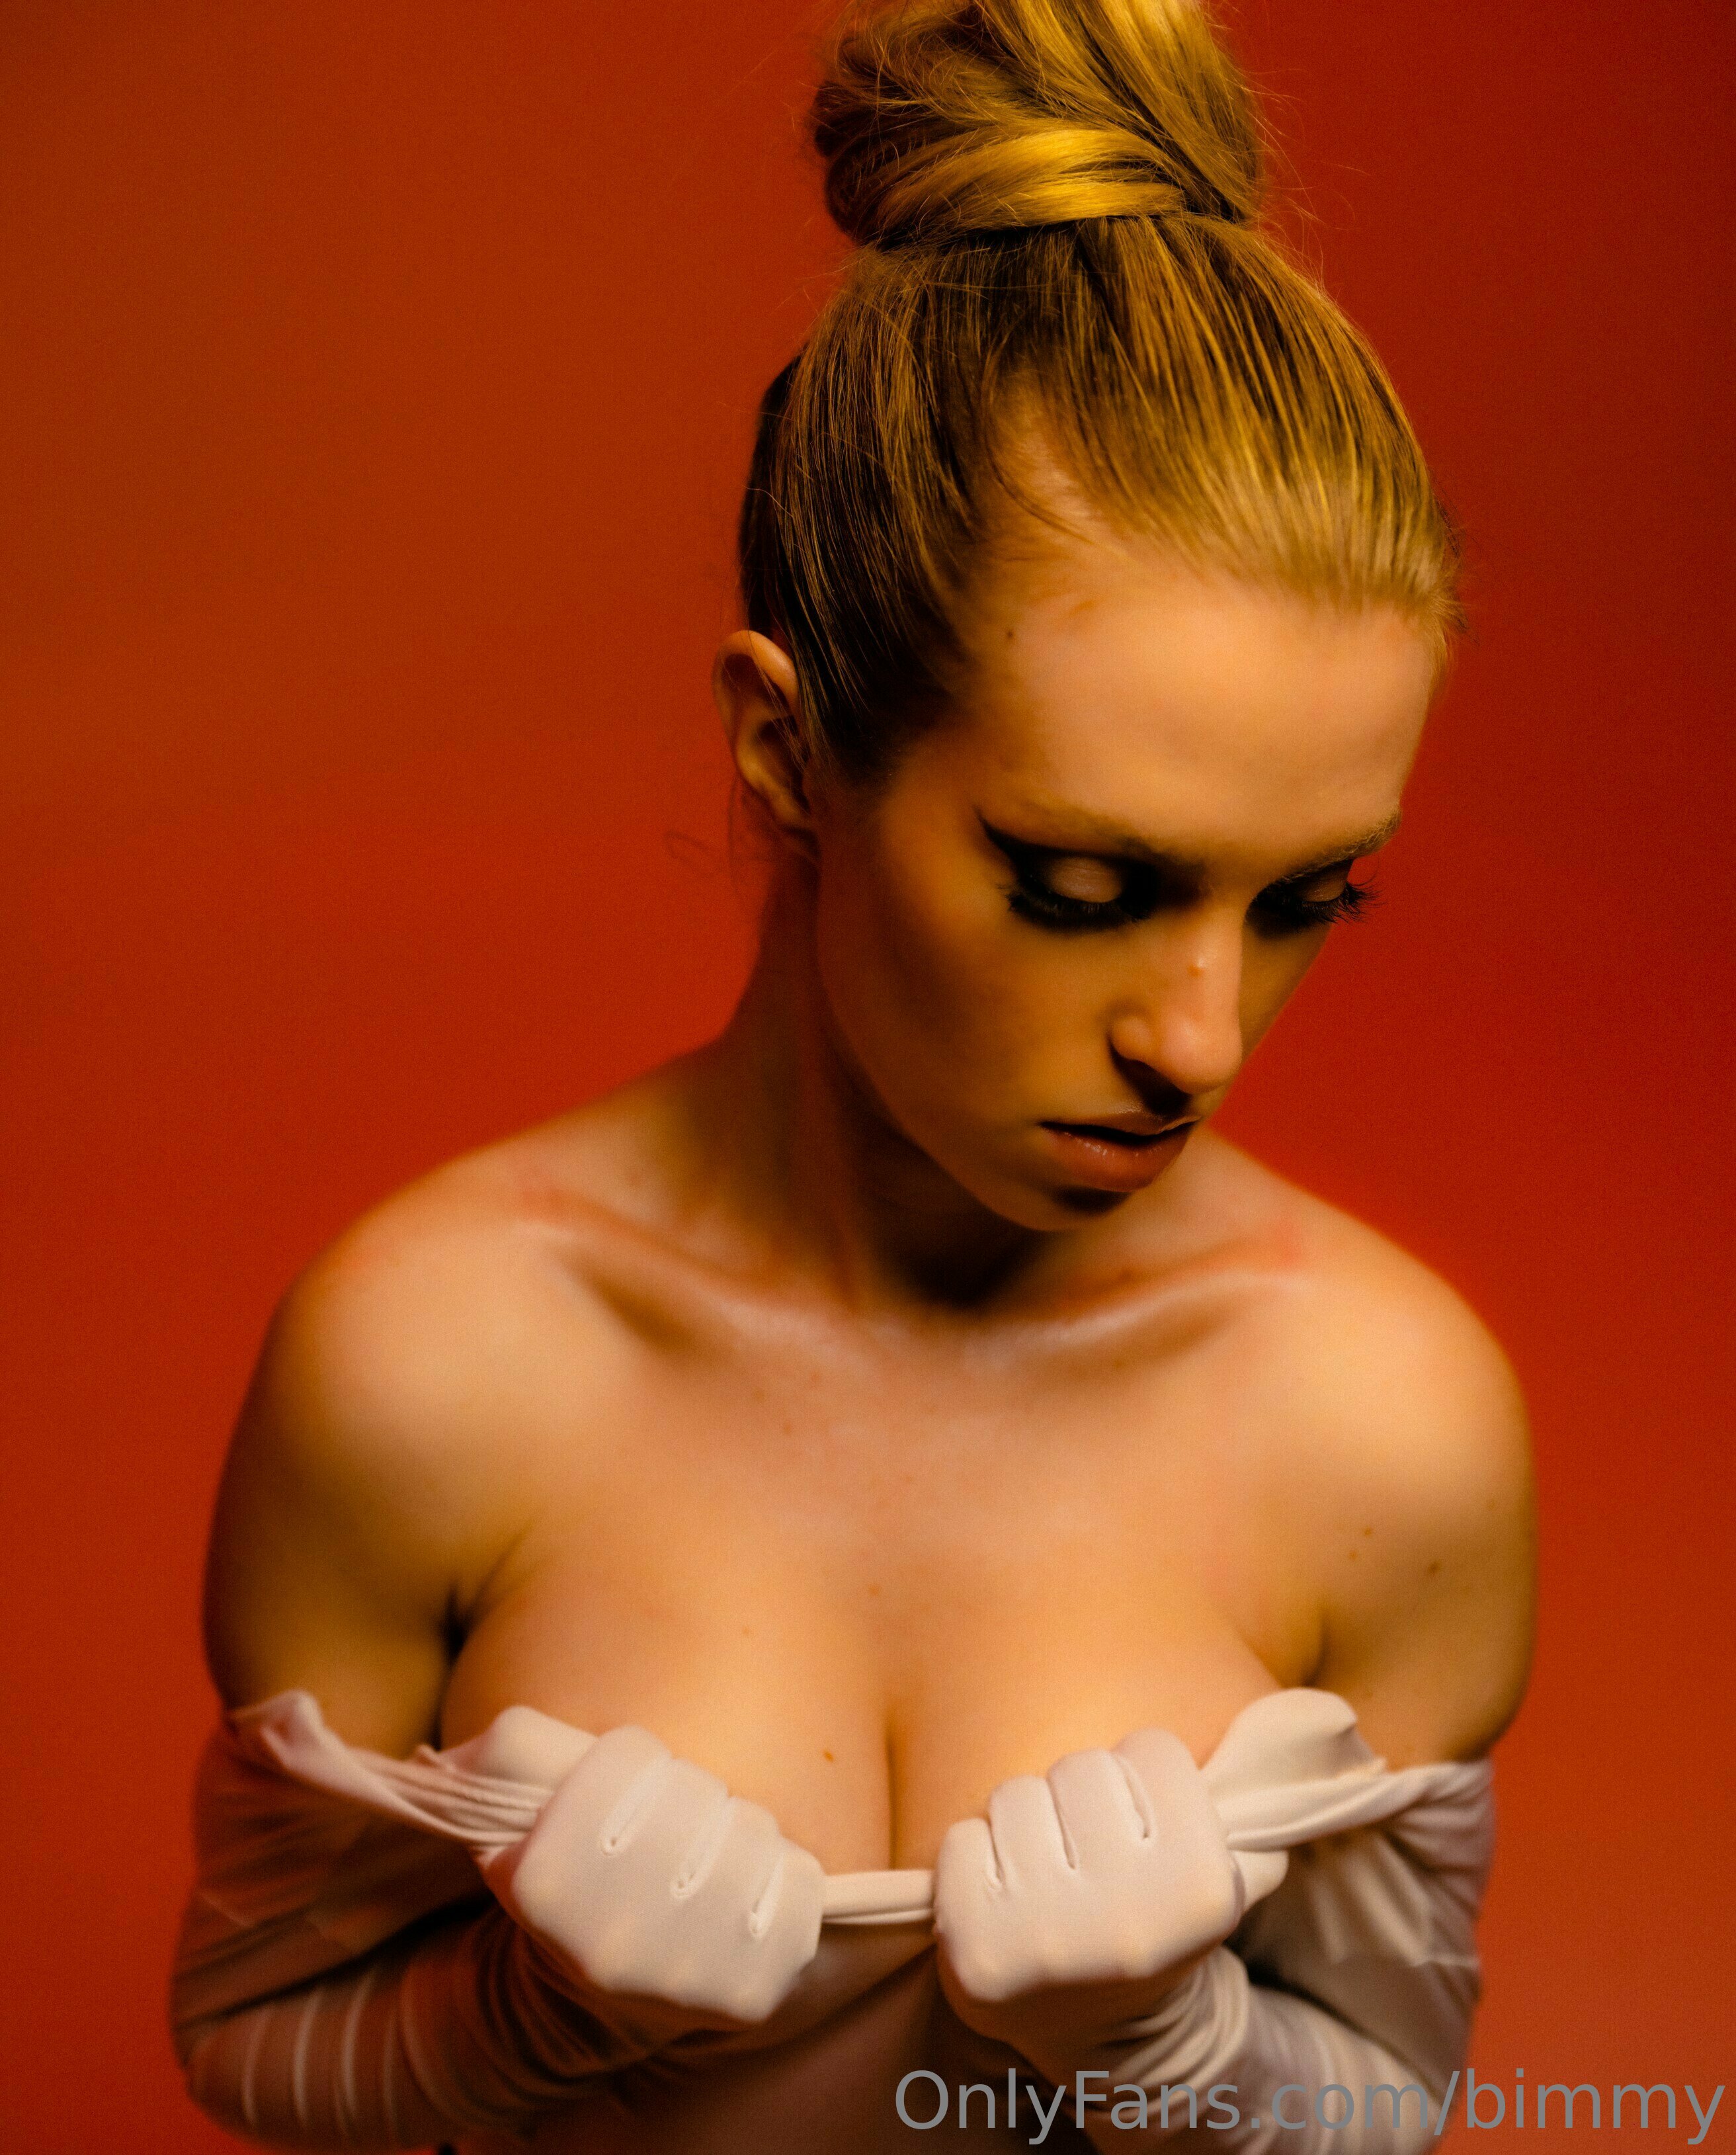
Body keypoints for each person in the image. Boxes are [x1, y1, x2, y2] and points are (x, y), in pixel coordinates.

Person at [171, 1, 1534, 2148]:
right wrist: (531, 2017)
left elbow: (1394, 2097)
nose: (1197, 1035)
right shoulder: (427, 1363)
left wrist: (1167, 2047)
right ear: (785, 748)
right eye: (1077, 884)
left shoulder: (1385, 1420)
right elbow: (252, 2033)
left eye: (1306, 900)